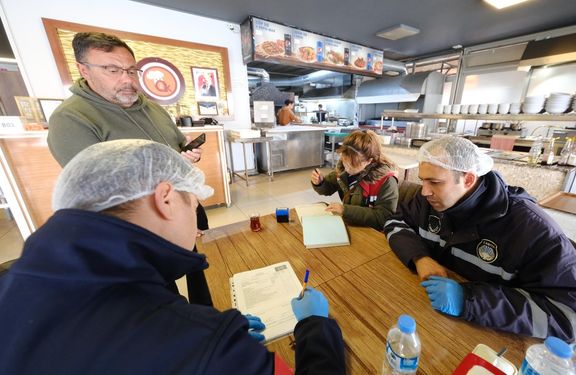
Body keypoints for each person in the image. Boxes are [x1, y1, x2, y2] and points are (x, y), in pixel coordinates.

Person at [0, 140, 346, 375]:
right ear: (165, 198)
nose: (196, 222)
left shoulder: (15, 277)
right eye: (193, 204)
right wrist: (316, 327)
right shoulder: (205, 346)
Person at [46, 32, 212, 306]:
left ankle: (205, 316)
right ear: (83, 70)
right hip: (134, 231)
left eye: (132, 70)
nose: (127, 80)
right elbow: (98, 191)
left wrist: (186, 158)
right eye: (113, 70)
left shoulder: (152, 109)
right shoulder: (72, 118)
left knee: (195, 270)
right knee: (158, 296)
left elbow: (176, 146)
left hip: (176, 209)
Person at [383, 136, 576, 342]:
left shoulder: (530, 228)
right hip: (429, 324)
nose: (424, 192)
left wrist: (470, 300)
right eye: (423, 181)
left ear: (469, 178)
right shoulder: (431, 202)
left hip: (490, 341)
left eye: (435, 182)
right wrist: (420, 258)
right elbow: (395, 223)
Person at [311, 130, 398, 231]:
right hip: (351, 225)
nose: (347, 169)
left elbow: (383, 218)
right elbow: (327, 189)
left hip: (372, 232)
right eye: (344, 162)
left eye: (352, 165)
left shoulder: (386, 181)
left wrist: (346, 210)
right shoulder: (343, 170)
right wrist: (320, 183)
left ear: (369, 161)